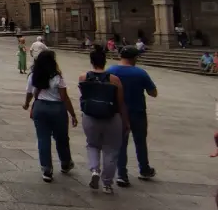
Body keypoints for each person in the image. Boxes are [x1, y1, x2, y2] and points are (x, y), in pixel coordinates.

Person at [78, 45, 129, 195]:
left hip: (90, 117)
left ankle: (94, 170)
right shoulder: (114, 80)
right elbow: (120, 103)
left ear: (91, 61)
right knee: (111, 150)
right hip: (111, 117)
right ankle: (107, 183)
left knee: (92, 145)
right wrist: (125, 121)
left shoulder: (83, 77)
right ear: (105, 61)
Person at [23, 50, 77, 182]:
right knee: (62, 137)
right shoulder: (57, 76)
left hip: (40, 107)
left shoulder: (33, 75)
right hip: (57, 109)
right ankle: (65, 162)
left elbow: (30, 93)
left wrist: (26, 104)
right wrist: (73, 114)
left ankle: (47, 169)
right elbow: (64, 97)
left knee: (43, 138)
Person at [107, 46, 157, 186]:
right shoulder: (140, 73)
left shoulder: (111, 71)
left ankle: (122, 174)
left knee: (121, 144)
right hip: (138, 111)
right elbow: (153, 92)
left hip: (118, 113)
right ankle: (144, 169)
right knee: (140, 142)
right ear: (134, 58)